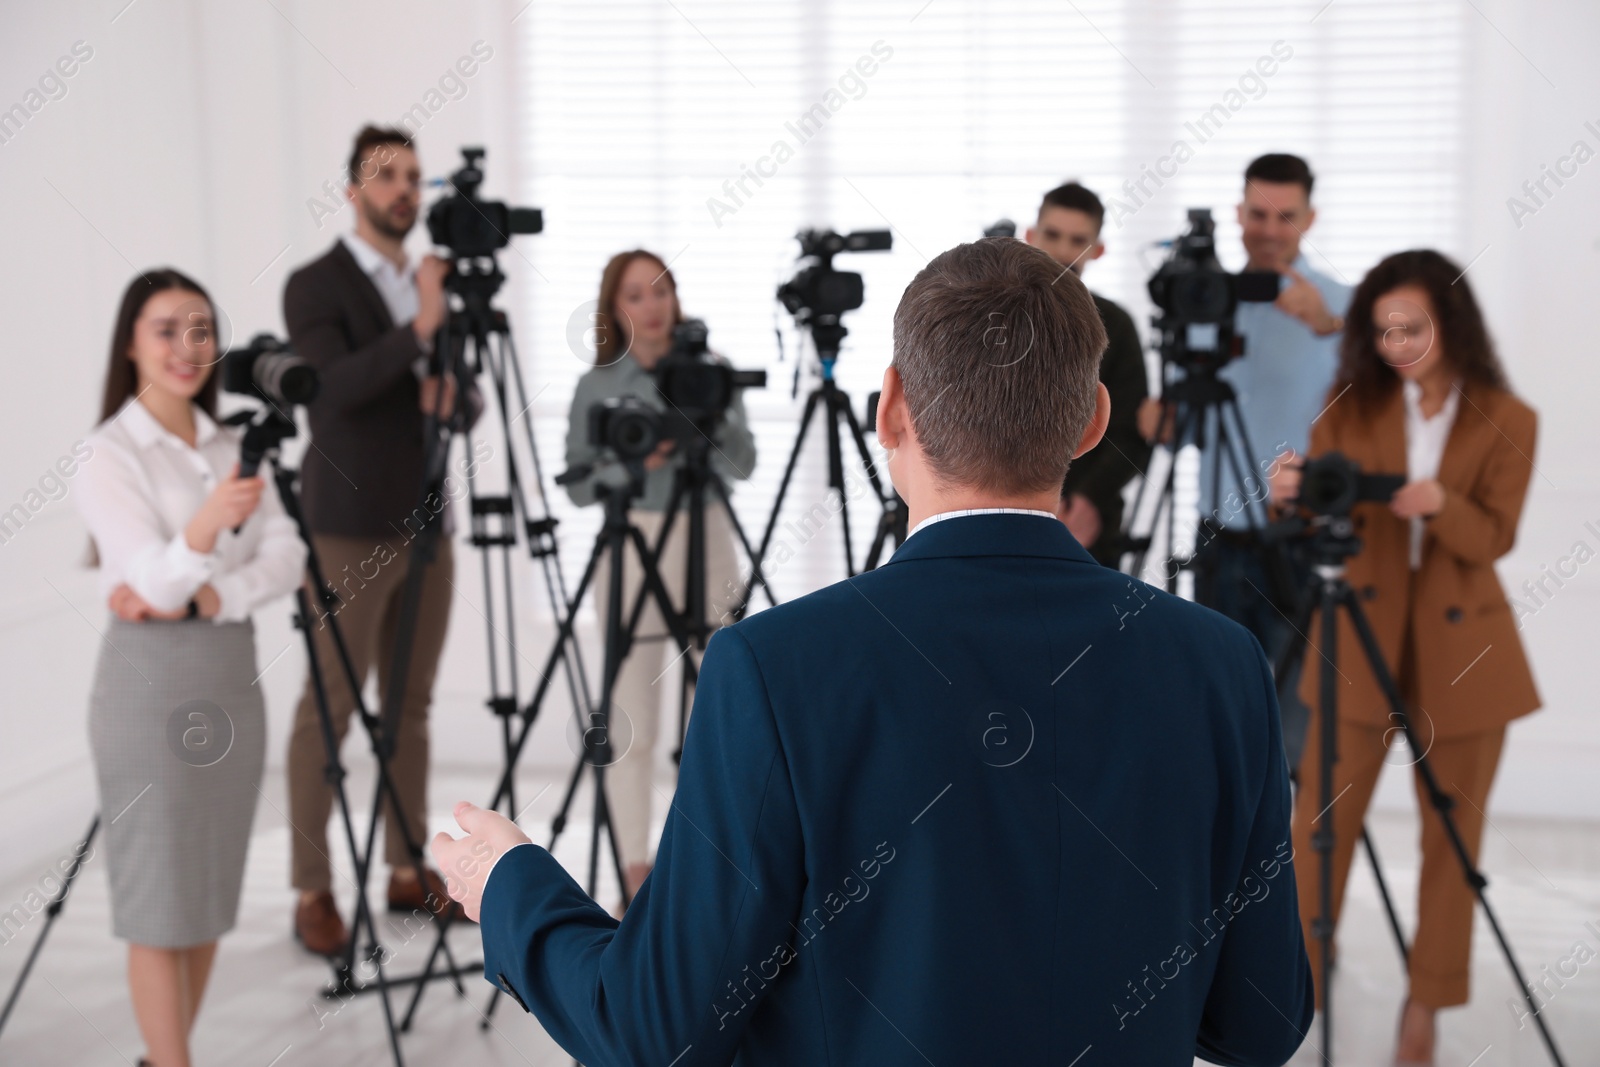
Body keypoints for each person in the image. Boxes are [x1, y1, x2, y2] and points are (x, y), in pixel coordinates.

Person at [434, 238, 1312, 1066]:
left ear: (889, 406)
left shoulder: (773, 667)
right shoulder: (1221, 664)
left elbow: (656, 1028)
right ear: (1093, 421)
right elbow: (1261, 1021)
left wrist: (513, 885)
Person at [1270, 249, 1539, 1065]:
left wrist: (1442, 506)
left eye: (1411, 327)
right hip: (1358, 640)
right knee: (1319, 822)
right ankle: (1298, 979)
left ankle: (1424, 1005)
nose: (1396, 344)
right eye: (1382, 329)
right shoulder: (1348, 404)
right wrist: (1292, 494)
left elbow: (1495, 534)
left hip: (1466, 655)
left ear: (1450, 323)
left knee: (1450, 841)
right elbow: (1318, 523)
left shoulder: (1507, 416)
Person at [74, 269, 306, 1067]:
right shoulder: (108, 453)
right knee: (156, 902)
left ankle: (162, 1060)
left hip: (226, 678)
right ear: (131, 340)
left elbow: (287, 555)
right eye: (166, 328)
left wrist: (212, 598)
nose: (186, 346)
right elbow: (149, 582)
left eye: (201, 328)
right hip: (148, 688)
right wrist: (206, 529)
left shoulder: (232, 441)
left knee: (206, 893)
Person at [282, 125, 480, 956]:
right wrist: (420, 326)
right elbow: (329, 394)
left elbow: (465, 402)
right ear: (353, 190)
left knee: (412, 703)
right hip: (346, 528)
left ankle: (406, 866)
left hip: (429, 524)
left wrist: (446, 387)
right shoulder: (314, 284)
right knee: (330, 704)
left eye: (413, 177)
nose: (404, 190)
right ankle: (313, 885)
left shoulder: (430, 280)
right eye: (386, 176)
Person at [561, 249, 757, 908]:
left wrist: (710, 414)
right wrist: (641, 460)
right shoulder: (599, 383)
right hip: (633, 536)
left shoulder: (709, 370)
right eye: (636, 295)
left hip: (709, 533)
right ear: (614, 307)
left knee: (722, 701)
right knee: (629, 714)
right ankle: (634, 869)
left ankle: (709, 861)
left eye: (661, 291)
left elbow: (745, 463)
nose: (652, 306)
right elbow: (581, 484)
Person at [1175, 152, 1353, 767]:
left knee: (1290, 732)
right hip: (1217, 541)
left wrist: (1332, 329)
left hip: (1298, 540)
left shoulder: (1344, 307)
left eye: (1287, 216)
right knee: (1213, 715)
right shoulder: (1200, 302)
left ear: (1311, 218)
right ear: (1237, 214)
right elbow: (1185, 432)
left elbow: (1397, 391)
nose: (1270, 229)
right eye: (1258, 213)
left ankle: (1283, 852)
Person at [1025, 180, 1151, 565]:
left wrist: (1089, 499)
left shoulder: (1116, 325)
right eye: (1053, 235)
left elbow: (1134, 429)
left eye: (1078, 240)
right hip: (997, 515)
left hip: (1089, 529)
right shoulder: (991, 321)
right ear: (1030, 236)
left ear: (1097, 250)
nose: (1063, 251)